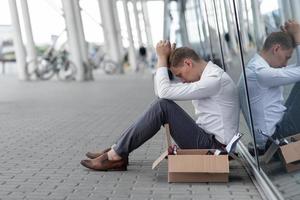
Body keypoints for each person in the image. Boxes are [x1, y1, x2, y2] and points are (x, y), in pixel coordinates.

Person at [80, 40, 239, 171]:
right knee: (162, 104)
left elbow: (163, 93)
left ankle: (116, 155)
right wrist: (166, 60)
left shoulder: (214, 80)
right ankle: (118, 150)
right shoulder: (207, 77)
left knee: (163, 107)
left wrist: (162, 59)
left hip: (217, 150)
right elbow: (160, 91)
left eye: (180, 75)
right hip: (209, 141)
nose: (182, 80)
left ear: (188, 63)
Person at [244, 20, 300, 155]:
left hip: (276, 130)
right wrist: (297, 37)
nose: (286, 64)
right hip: (275, 139)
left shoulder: (256, 66)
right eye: (287, 57)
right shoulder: (260, 73)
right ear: (276, 49)